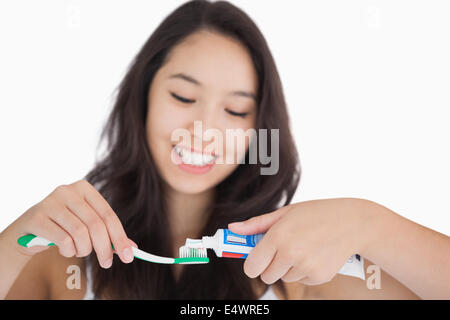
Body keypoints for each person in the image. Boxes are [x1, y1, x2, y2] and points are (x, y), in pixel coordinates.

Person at [1, 0, 449, 300]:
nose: (204, 130)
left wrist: (371, 223)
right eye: (182, 98)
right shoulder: (63, 260)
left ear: (259, 129)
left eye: (235, 111)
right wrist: (16, 240)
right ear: (143, 100)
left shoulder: (296, 269)